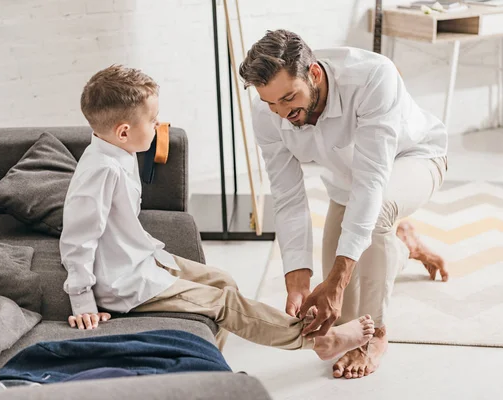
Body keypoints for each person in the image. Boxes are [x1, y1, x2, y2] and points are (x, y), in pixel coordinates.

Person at [58, 64, 376, 364]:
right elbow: (77, 238)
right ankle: (319, 341)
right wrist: (82, 297)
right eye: (152, 120)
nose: (158, 125)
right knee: (224, 303)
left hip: (140, 258)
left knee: (223, 281)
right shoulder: (100, 171)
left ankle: (212, 358)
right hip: (123, 283)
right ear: (124, 131)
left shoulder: (119, 150)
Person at [239, 29, 449, 379]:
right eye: (271, 104)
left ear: (315, 74)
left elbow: (371, 184)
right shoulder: (270, 111)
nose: (280, 113)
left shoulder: (372, 77)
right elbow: (288, 196)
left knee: (372, 224)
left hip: (415, 157)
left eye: (289, 98)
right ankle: (401, 245)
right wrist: (298, 280)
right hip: (349, 183)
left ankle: (377, 336)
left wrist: (337, 280)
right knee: (340, 314)